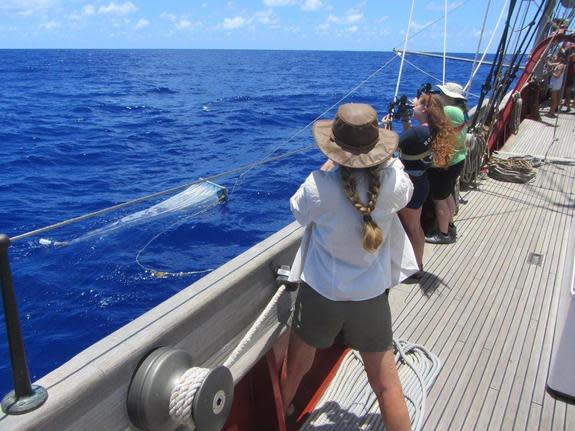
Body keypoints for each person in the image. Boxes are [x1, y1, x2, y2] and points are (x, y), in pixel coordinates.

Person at [280, 103, 418, 431]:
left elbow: (297, 210)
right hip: (370, 298)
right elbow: (405, 188)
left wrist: (328, 170)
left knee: (297, 367)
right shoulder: (392, 185)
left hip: (321, 295)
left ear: (335, 149)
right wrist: (390, 162)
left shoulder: (319, 187)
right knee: (386, 386)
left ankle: (283, 412)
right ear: (376, 150)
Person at [382, 93, 454, 275]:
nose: (411, 107)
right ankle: (417, 265)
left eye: (414, 106)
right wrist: (405, 120)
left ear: (424, 109)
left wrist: (386, 127)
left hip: (410, 186)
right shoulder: (431, 129)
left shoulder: (416, 133)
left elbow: (390, 148)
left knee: (411, 229)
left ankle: (415, 270)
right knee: (416, 228)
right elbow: (411, 142)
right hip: (421, 182)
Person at [425, 82, 468, 244]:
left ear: (449, 97)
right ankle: (449, 225)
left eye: (442, 94)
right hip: (457, 159)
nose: (440, 96)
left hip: (445, 163)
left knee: (439, 200)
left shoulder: (450, 110)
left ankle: (443, 235)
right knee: (447, 195)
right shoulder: (460, 110)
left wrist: (424, 100)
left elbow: (428, 114)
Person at [548, 52, 567, 117]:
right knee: (554, 99)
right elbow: (550, 64)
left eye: (558, 56)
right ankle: (551, 111)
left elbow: (557, 75)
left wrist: (551, 72)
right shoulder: (560, 64)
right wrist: (546, 59)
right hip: (557, 84)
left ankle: (552, 112)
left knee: (554, 99)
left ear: (560, 57)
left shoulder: (560, 66)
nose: (556, 57)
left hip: (555, 84)